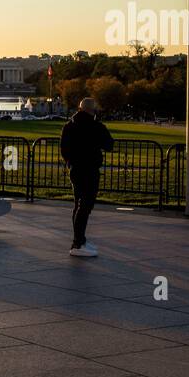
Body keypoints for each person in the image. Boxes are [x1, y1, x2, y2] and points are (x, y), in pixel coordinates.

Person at [60, 97, 114, 258]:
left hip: (76, 169)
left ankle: (80, 240)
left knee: (78, 205)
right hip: (90, 169)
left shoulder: (69, 126)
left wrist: (71, 162)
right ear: (93, 110)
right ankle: (77, 244)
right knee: (85, 206)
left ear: (79, 108)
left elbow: (64, 150)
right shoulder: (96, 126)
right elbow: (109, 145)